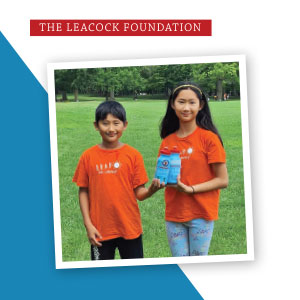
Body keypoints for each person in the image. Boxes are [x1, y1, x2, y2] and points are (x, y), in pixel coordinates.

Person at [73, 101, 163, 260]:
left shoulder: (133, 155)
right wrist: (88, 225)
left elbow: (140, 194)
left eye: (116, 123)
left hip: (129, 228)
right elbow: (83, 191)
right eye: (105, 123)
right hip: (99, 230)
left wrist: (151, 190)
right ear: (96, 125)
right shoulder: (88, 156)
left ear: (125, 125)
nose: (111, 129)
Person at [159, 82, 228, 257]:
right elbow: (164, 175)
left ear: (201, 105)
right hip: (174, 215)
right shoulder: (167, 141)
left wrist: (191, 190)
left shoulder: (209, 139)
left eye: (192, 102)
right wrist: (160, 182)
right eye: (181, 102)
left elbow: (222, 180)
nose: (186, 107)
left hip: (201, 214)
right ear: (173, 104)